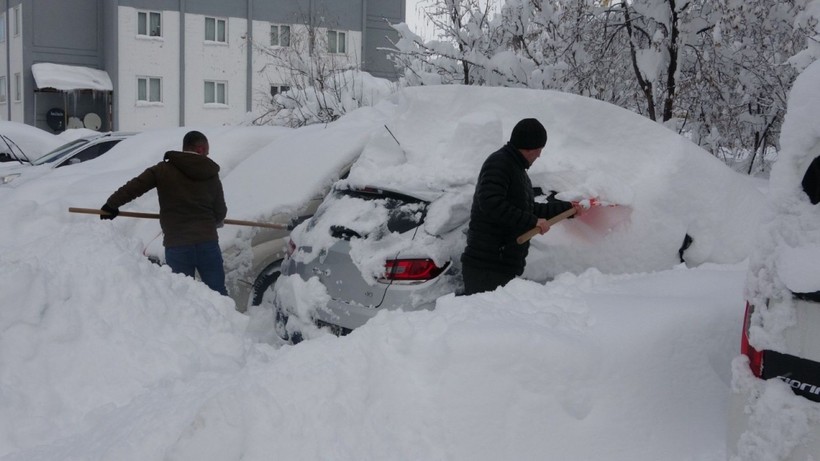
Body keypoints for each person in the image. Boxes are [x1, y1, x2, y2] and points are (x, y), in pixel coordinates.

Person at [460, 118, 582, 296]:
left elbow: (530, 209)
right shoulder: (499, 164)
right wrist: (532, 222)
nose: (539, 155)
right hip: (487, 266)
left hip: (501, 265)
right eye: (539, 150)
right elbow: (490, 203)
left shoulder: (516, 170)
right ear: (530, 148)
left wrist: (568, 209)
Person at [100, 130, 229, 296]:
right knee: (217, 293)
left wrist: (111, 205)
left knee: (182, 295)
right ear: (201, 149)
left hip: (178, 244)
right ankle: (224, 321)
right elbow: (220, 211)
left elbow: (135, 186)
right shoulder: (211, 174)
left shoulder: (163, 169)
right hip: (208, 243)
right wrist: (213, 221)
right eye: (207, 151)